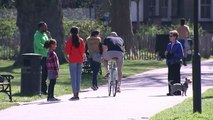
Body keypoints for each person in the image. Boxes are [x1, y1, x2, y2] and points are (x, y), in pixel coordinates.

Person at [64, 26, 85, 100]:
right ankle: (78, 94)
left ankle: (74, 94)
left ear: (71, 32)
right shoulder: (81, 40)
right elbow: (83, 51)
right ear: (78, 32)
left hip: (72, 60)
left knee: (73, 77)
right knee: (78, 77)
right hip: (80, 59)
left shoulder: (70, 41)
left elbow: (67, 51)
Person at [34, 21, 51, 95]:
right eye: (45, 26)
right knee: (42, 74)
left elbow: (50, 42)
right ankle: (41, 89)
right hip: (40, 57)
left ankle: (44, 90)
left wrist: (49, 36)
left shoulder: (45, 34)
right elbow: (38, 45)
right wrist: (45, 47)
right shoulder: (37, 35)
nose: (46, 28)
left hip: (46, 56)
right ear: (41, 27)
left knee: (46, 74)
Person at [165, 30, 184, 96]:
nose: (170, 37)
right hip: (170, 63)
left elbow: (181, 55)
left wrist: (173, 54)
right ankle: (171, 91)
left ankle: (178, 91)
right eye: (169, 36)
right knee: (170, 77)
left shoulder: (178, 44)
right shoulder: (169, 45)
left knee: (176, 77)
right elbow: (167, 53)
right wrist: (167, 55)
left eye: (171, 36)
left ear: (175, 37)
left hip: (176, 63)